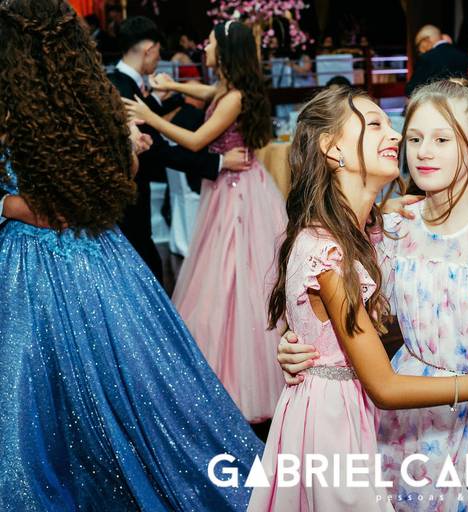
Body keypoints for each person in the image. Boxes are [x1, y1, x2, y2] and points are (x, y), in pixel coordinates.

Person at [0, 1, 262, 509]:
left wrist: (14, 205)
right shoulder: (91, 100)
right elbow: (123, 176)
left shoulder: (27, 112)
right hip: (97, 258)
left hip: (36, 265)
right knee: (129, 391)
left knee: (42, 400)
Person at [271, 80, 468, 511]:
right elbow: (325, 297)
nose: (424, 152)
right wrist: (299, 343)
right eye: (414, 138)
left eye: (442, 139)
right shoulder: (393, 230)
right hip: (410, 418)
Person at [124, 20, 288, 421]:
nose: (205, 46)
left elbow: (197, 141)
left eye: (211, 42)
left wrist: (149, 116)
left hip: (239, 194)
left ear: (226, 50)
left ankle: (242, 373)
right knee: (223, 275)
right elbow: (205, 92)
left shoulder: (234, 98)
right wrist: (176, 86)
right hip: (228, 187)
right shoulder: (227, 89)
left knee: (236, 275)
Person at [109, 16, 249, 281]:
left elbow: (152, 117)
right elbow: (158, 148)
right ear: (149, 49)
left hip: (136, 193)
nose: (160, 58)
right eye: (159, 51)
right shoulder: (121, 90)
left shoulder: (121, 83)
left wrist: (170, 93)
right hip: (127, 197)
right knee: (143, 266)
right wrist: (218, 163)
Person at [406, 24, 468, 96]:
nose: (419, 50)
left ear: (426, 40)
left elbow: (412, 89)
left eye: (419, 45)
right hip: (463, 100)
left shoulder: (426, 58)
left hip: (437, 101)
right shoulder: (466, 57)